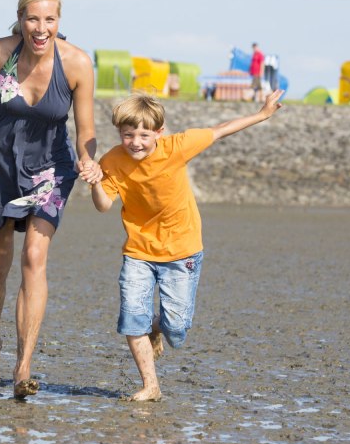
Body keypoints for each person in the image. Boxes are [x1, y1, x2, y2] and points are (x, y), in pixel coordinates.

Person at [0, 0, 101, 399]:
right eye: (32, 18)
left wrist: (89, 160)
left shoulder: (77, 64)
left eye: (49, 19)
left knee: (35, 256)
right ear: (19, 19)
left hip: (50, 167)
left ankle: (23, 365)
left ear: (59, 21)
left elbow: (86, 131)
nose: (40, 28)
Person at [88, 90, 284, 401]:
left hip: (183, 251)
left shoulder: (177, 146)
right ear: (119, 133)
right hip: (138, 251)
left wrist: (262, 114)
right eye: (128, 135)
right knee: (131, 317)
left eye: (143, 135)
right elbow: (102, 206)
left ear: (158, 133)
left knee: (176, 330)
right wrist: (95, 180)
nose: (135, 142)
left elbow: (220, 130)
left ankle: (156, 326)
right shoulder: (112, 160)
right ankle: (151, 385)